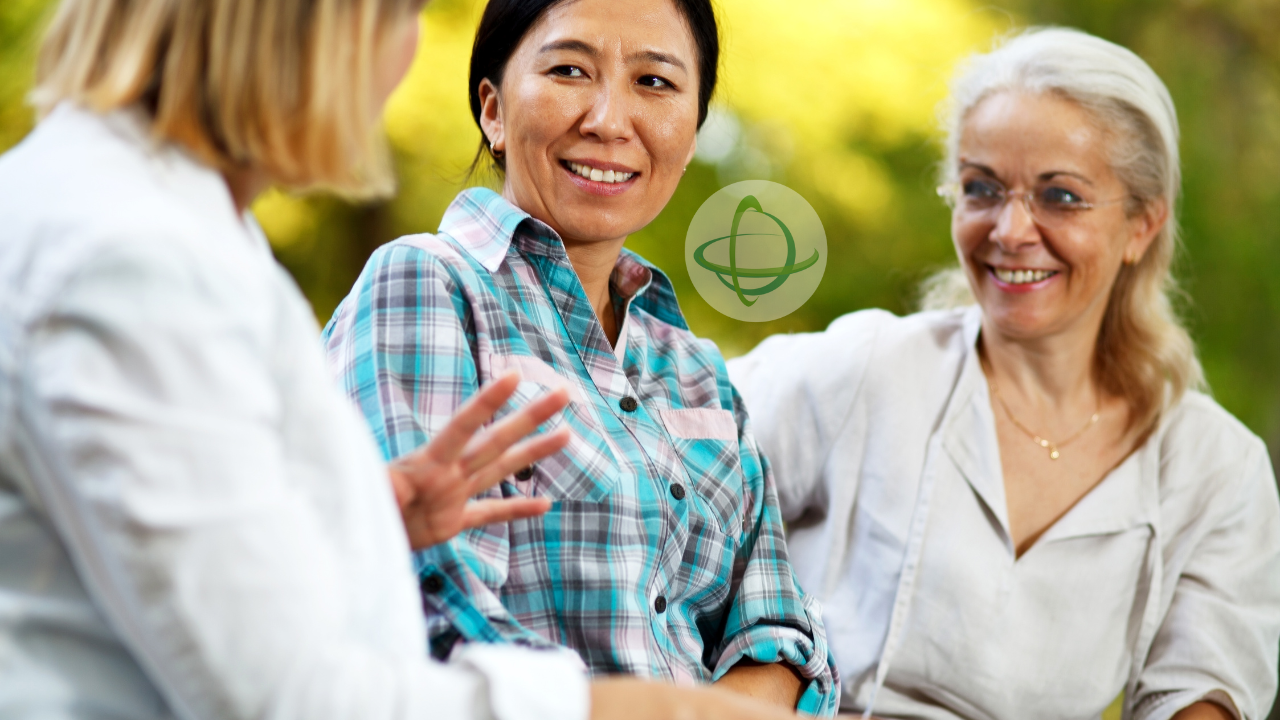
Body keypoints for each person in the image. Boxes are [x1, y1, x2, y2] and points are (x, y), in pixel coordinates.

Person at [0, 1, 805, 719]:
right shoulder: (132, 252)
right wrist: (655, 712)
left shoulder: (172, 227)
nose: (405, 57)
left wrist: (369, 518)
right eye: (398, 12)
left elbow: (199, 567)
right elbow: (279, 694)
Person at [727, 27, 1280, 720]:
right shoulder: (870, 369)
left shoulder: (1213, 468)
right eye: (981, 188)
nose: (1011, 230)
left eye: (1061, 197)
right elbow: (656, 465)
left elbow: (1203, 695)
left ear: (1141, 224)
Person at [321, 0, 837, 714]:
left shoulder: (696, 372)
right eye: (570, 70)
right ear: (494, 111)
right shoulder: (428, 284)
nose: (607, 119)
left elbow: (781, 631)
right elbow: (435, 614)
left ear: (689, 138)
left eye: (654, 83)